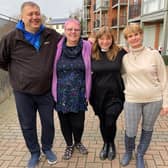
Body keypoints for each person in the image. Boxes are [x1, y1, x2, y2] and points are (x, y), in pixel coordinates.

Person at [0, 1, 61, 168]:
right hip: (23, 93)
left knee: (48, 123)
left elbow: (70, 43)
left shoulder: (51, 35)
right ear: (22, 17)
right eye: (30, 14)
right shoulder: (11, 39)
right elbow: (2, 61)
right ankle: (34, 152)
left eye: (37, 13)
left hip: (46, 91)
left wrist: (91, 43)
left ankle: (47, 148)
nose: (35, 17)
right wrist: (18, 73)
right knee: (27, 125)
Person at [120, 24, 168, 168]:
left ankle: (140, 154)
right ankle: (129, 152)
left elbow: (163, 79)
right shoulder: (125, 58)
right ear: (127, 39)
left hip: (154, 100)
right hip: (132, 99)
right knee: (130, 129)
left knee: (147, 128)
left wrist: (166, 102)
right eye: (130, 36)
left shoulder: (154, 54)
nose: (134, 38)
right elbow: (122, 76)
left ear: (141, 35)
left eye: (136, 34)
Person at [52, 18, 92, 160]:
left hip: (79, 93)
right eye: (70, 29)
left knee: (78, 123)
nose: (73, 32)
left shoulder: (87, 46)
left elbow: (104, 50)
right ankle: (69, 145)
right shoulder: (57, 47)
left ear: (80, 31)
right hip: (61, 92)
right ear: (65, 31)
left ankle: (78, 142)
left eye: (76, 29)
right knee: (64, 122)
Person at [89, 26, 126, 161]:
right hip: (97, 95)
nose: (105, 41)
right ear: (98, 40)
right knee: (103, 120)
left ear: (112, 39)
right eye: (102, 39)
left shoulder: (120, 52)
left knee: (110, 120)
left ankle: (112, 143)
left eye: (108, 38)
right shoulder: (92, 54)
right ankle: (106, 144)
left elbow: (134, 58)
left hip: (115, 94)